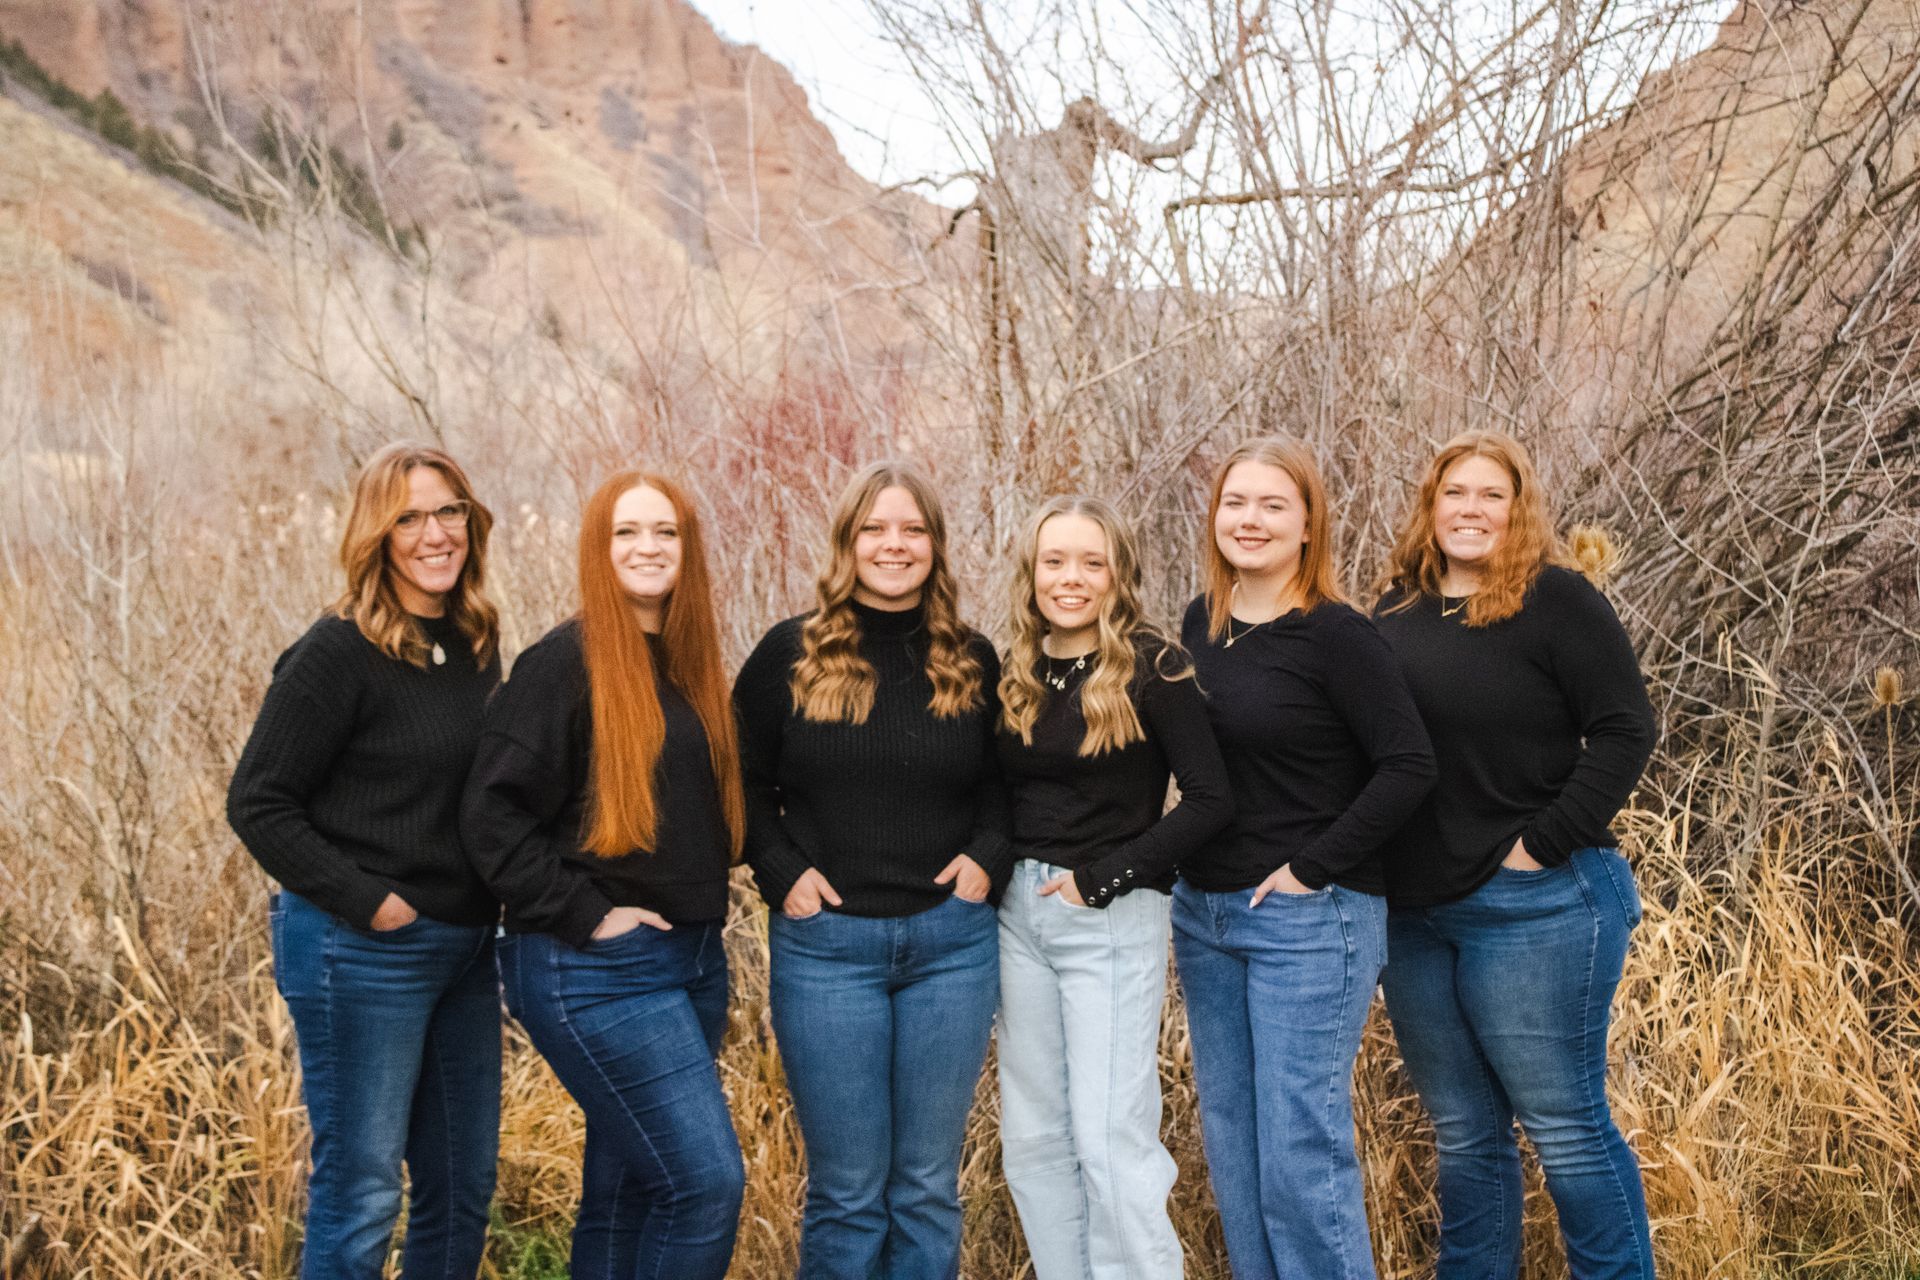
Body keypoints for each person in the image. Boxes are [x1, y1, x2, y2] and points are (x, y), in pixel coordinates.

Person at [1372, 431, 1659, 1280]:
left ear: (1517, 508)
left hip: (1539, 904)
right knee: (1463, 1133)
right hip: (1416, 917)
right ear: (1430, 506)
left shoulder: (1557, 601)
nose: (1470, 509)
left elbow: (1625, 730)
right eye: (1453, 492)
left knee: (1565, 1125)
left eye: (1490, 494)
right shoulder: (1393, 613)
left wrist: (1539, 845)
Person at [228, 441, 503, 1279]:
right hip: (362, 950)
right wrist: (368, 901)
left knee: (461, 1188)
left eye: (448, 511)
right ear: (376, 535)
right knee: (362, 1188)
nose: (434, 533)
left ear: (471, 523)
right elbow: (258, 801)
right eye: (409, 517)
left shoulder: (474, 641)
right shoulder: (336, 652)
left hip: (462, 950)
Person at [462, 471, 747, 1280]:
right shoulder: (564, 662)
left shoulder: (687, 666)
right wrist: (587, 913)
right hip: (594, 967)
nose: (648, 547)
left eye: (666, 532)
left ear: (688, 549)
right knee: (705, 1187)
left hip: (690, 962)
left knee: (628, 1194)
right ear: (598, 547)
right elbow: (490, 815)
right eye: (627, 532)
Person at [733, 459, 1009, 1280]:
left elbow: (1007, 785)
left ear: (936, 546)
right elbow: (735, 779)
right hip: (827, 955)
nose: (894, 545)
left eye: (913, 529)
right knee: (850, 1191)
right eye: (875, 529)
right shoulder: (790, 654)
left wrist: (986, 862)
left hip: (951, 949)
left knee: (926, 1187)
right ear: (847, 543)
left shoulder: (973, 659)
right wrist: (780, 869)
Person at [1175, 436, 1436, 1280]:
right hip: (1207, 917)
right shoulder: (1198, 626)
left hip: (1310, 918)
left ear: (1309, 525)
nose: (1249, 521)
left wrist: (1311, 869)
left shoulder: (1338, 636)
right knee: (1236, 1143)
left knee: (1298, 1149)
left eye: (1272, 505)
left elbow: (1409, 767)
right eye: (1235, 503)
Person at [993, 495, 1231, 1280]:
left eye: (1090, 562)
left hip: (1110, 918)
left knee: (1109, 1140)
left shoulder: (1154, 665)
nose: (1071, 578)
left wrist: (1103, 879)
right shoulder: (1018, 671)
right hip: (1017, 922)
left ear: (1117, 574)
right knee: (1034, 1139)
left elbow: (1209, 801)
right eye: (1054, 561)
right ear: (1031, 573)